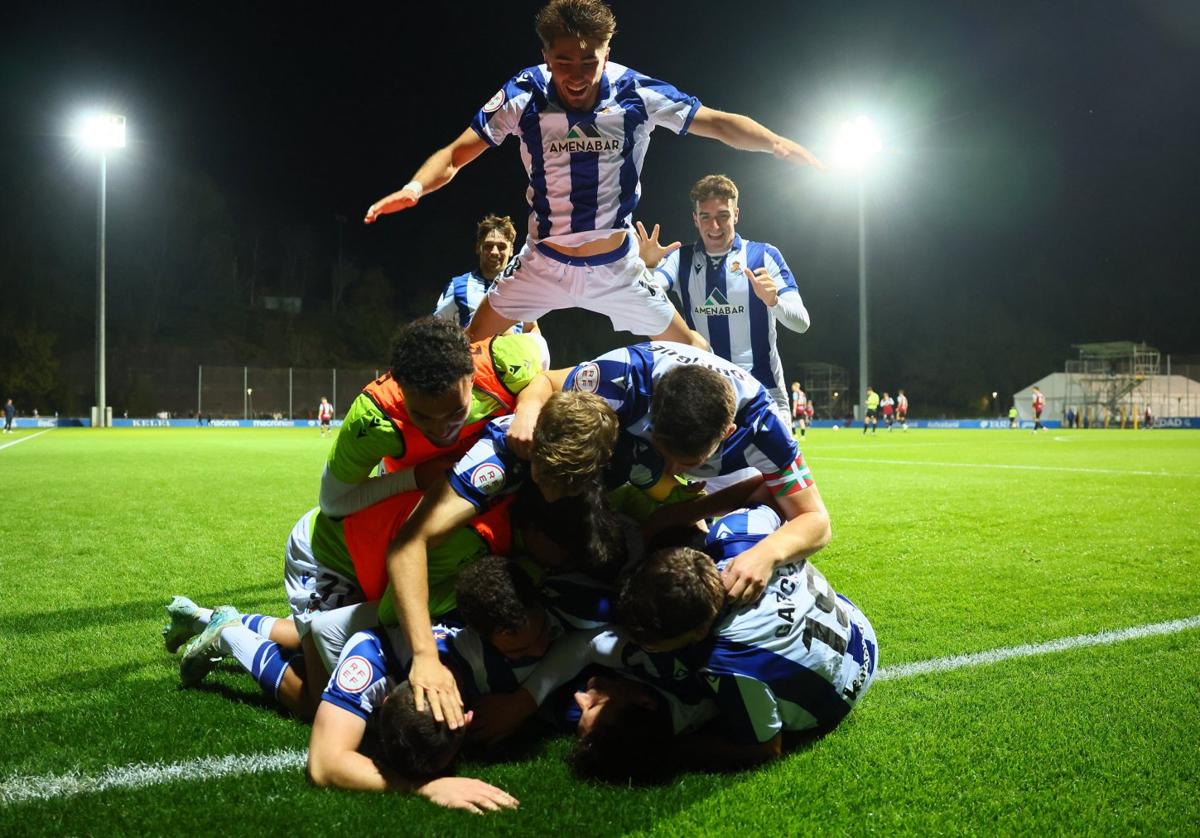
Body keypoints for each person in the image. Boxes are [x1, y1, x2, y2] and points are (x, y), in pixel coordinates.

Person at [364, 0, 822, 346]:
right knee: (467, 352)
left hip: (617, 269)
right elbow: (456, 154)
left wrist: (777, 144)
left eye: (589, 60)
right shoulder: (524, 95)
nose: (577, 74)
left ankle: (730, 463)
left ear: (607, 52)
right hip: (543, 262)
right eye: (563, 61)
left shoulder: (635, 93)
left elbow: (717, 123)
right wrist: (414, 187)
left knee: (696, 353)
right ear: (545, 54)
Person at [382, 391, 620, 732]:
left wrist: (532, 399)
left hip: (520, 533)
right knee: (390, 612)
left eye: (567, 484)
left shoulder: (609, 438)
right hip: (420, 525)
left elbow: (547, 376)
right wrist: (425, 657)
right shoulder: (497, 461)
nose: (553, 491)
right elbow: (407, 544)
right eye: (546, 476)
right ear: (534, 445)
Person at [534, 342, 830, 609]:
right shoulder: (624, 377)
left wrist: (767, 554)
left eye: (686, 461)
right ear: (654, 407)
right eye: (664, 453)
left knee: (757, 519)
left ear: (727, 433)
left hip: (716, 469)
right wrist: (526, 414)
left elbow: (816, 520)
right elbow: (547, 381)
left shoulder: (762, 430)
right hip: (626, 450)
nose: (673, 470)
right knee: (568, 448)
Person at [614, 504, 877, 767]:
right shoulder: (739, 532)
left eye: (653, 642)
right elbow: (773, 502)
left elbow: (765, 747)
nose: (646, 645)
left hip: (837, 698)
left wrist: (668, 750)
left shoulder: (726, 662)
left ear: (700, 630)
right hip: (861, 634)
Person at [320, 317, 550, 518]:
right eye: (422, 416)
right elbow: (332, 502)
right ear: (400, 388)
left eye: (457, 412)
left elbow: (545, 371)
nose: (442, 430)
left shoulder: (507, 361)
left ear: (471, 378)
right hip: (417, 503)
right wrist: (416, 478)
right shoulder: (374, 418)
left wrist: (530, 404)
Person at [647, 175, 811, 418]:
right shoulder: (680, 259)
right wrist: (647, 268)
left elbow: (802, 323)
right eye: (706, 217)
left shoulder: (763, 256)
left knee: (784, 458)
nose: (714, 226)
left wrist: (773, 301)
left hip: (763, 391)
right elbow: (646, 299)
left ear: (736, 214)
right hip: (704, 394)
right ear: (695, 219)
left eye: (723, 216)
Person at [433, 214, 538, 335]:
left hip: (514, 353)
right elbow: (436, 329)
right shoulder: (457, 286)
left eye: (501, 247)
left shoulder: (522, 287)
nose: (494, 252)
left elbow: (532, 329)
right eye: (488, 246)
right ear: (478, 247)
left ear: (511, 250)